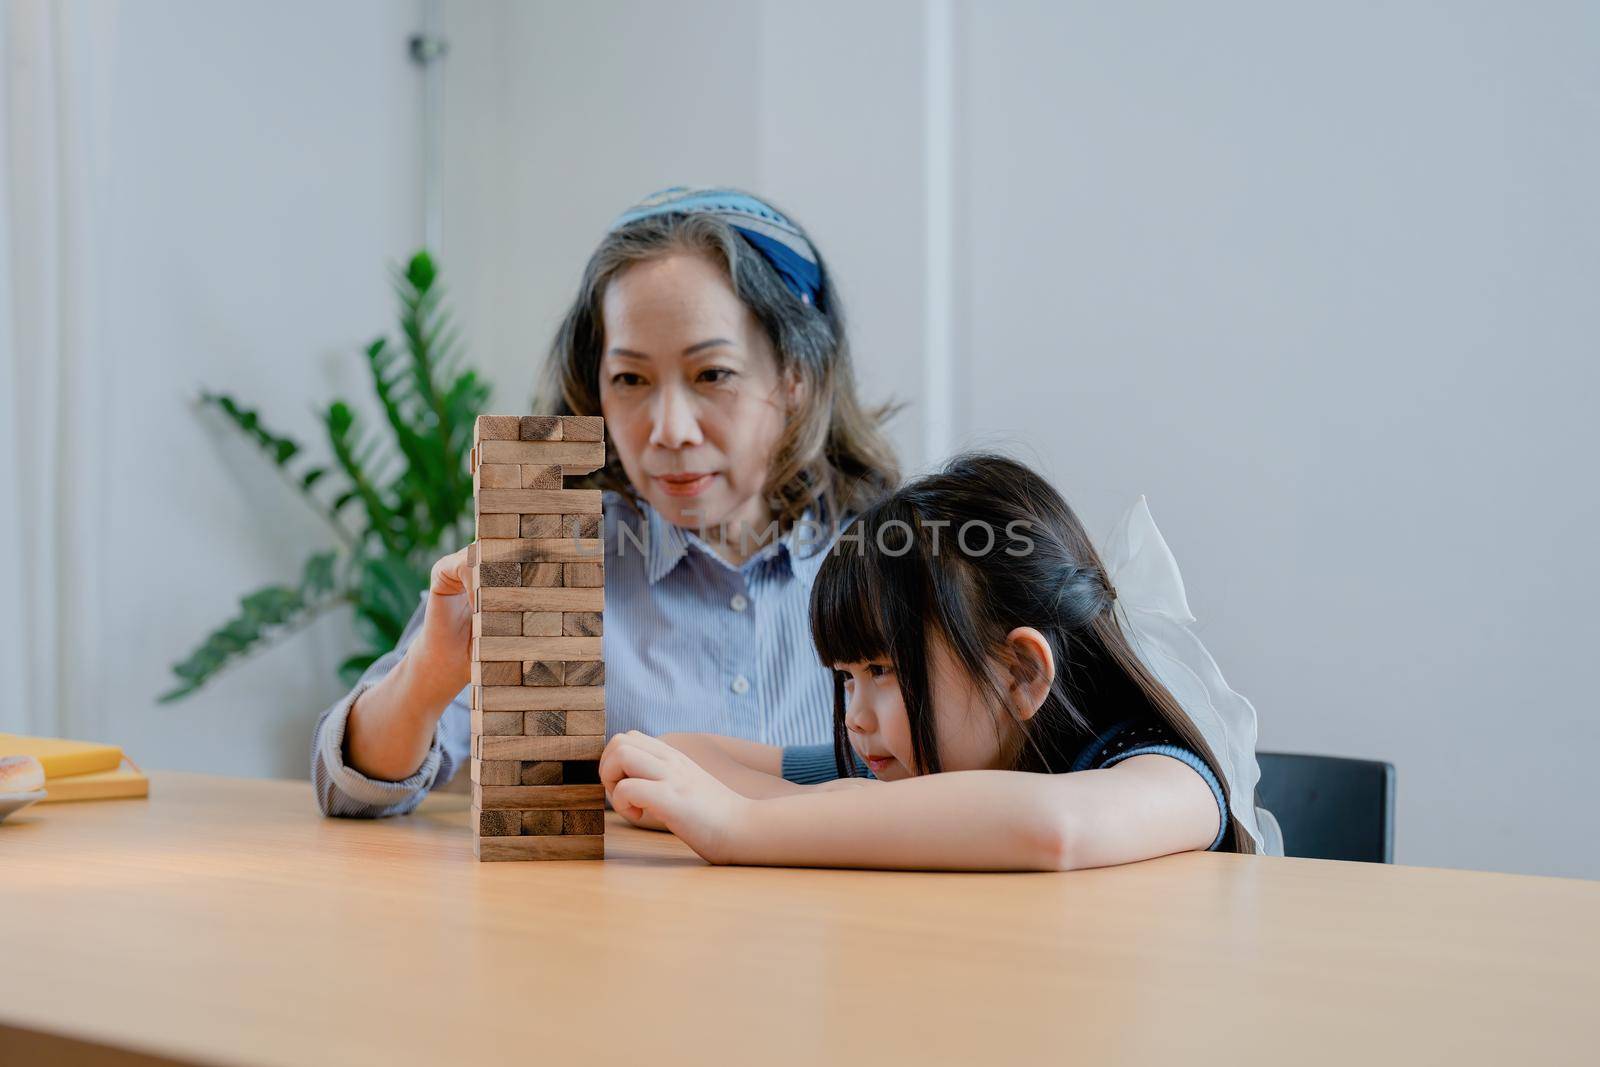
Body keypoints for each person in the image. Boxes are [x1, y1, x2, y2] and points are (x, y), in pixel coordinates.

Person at [311, 187, 898, 816]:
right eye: (630, 380)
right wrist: (427, 677)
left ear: (795, 378)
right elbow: (347, 790)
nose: (670, 429)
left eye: (712, 374)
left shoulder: (902, 565)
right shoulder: (548, 559)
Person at [601, 453, 1281, 869]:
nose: (856, 718)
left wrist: (743, 827)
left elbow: (1051, 827)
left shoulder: (1161, 767)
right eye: (846, 678)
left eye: (883, 672)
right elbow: (687, 753)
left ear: (1021, 672)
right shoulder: (924, 757)